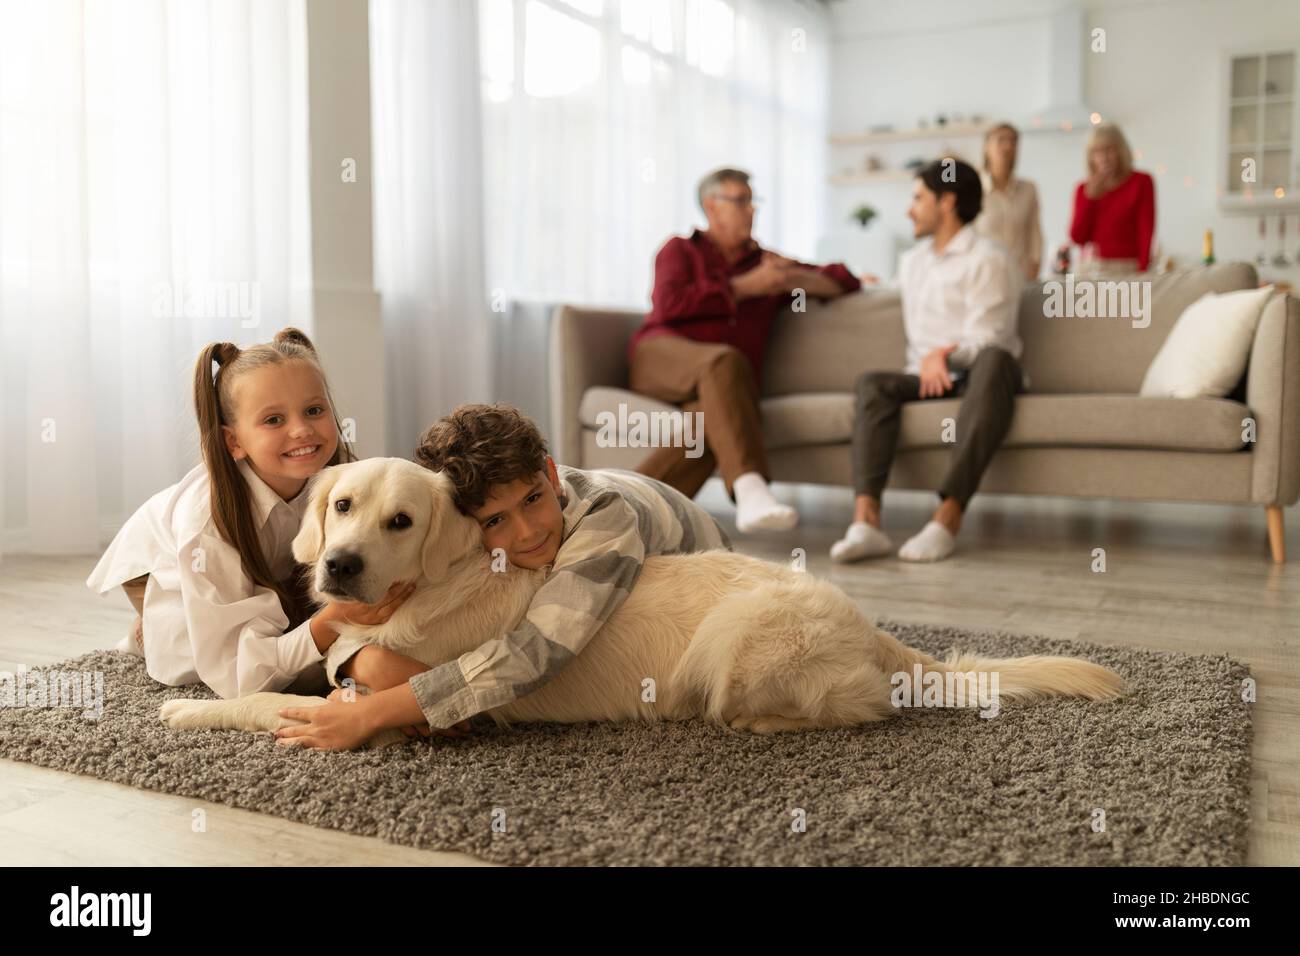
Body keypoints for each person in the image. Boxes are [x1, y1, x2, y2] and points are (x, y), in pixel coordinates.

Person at [272, 402, 733, 750]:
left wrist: (375, 711)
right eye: (495, 521)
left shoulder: (605, 524)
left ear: (550, 475)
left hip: (691, 541)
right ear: (468, 524)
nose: (526, 532)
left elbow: (535, 652)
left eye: (533, 499)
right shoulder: (466, 521)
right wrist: (363, 660)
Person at [85, 328, 410, 699]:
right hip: (160, 564)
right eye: (274, 420)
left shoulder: (344, 482)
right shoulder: (206, 525)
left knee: (289, 626)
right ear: (234, 442)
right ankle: (153, 623)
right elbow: (235, 677)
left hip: (264, 568)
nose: (302, 430)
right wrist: (330, 622)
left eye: (314, 410)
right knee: (196, 655)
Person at [627, 167, 860, 534]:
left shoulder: (767, 266)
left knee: (705, 425)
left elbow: (844, 280)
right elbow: (669, 304)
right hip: (662, 357)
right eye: (741, 201)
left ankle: (623, 516)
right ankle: (750, 486)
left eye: (753, 202)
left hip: (723, 383)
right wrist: (744, 287)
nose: (751, 210)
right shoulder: (680, 250)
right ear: (711, 206)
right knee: (723, 358)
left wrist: (794, 279)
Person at [831, 158, 1024, 564]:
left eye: (918, 197)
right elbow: (894, 295)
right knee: (873, 383)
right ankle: (866, 523)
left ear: (947, 201)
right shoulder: (913, 261)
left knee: (996, 359)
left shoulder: (989, 259)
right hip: (926, 376)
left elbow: (992, 336)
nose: (909, 209)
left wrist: (943, 354)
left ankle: (946, 519)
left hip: (978, 375)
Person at [1068, 122, 1156, 273]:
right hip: (1092, 267)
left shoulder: (1141, 182)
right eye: (1097, 152)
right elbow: (1077, 237)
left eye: (1109, 150)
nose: (1104, 158)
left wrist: (1143, 272)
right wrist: (1090, 199)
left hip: (1128, 267)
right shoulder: (1083, 189)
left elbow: (1146, 232)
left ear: (1121, 151)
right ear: (1090, 157)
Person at [973, 122, 1044, 282]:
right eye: (1001, 140)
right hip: (984, 280)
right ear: (986, 147)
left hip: (1021, 280)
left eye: (1013, 141)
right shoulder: (973, 189)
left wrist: (1033, 271)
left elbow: (1035, 235)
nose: (1008, 146)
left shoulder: (1029, 189)